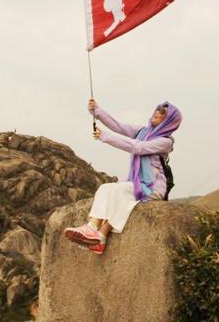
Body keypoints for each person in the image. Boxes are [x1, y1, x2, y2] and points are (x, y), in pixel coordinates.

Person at [63, 99, 182, 254]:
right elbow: (118, 126)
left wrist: (105, 137)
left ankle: (100, 236)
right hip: (137, 184)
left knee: (121, 190)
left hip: (153, 188)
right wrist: (96, 111)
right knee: (105, 188)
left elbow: (138, 147)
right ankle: (92, 228)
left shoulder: (164, 142)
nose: (158, 111)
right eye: (158, 108)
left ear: (170, 121)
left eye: (163, 112)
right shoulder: (142, 132)